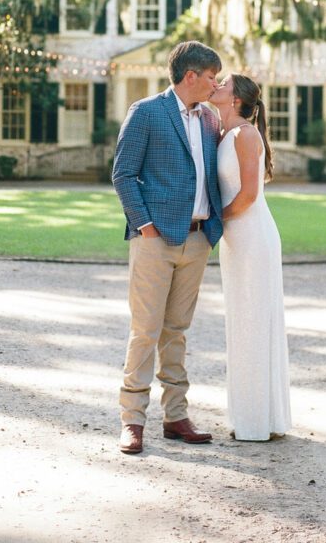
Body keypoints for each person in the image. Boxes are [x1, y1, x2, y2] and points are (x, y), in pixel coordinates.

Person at [112, 40, 224, 456]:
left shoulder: (210, 120)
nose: (216, 85)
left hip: (197, 241)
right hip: (155, 241)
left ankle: (176, 416)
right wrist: (145, 228)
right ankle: (132, 420)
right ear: (190, 76)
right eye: (212, 77)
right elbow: (123, 174)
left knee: (177, 331)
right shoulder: (146, 112)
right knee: (145, 331)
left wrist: (212, 231)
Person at [212, 73, 291, 442]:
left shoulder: (246, 135)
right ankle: (252, 415)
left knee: (254, 322)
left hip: (253, 235)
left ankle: (258, 422)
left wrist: (214, 218)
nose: (217, 86)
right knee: (241, 321)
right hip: (236, 240)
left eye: (223, 83)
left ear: (237, 99)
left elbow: (246, 196)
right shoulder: (222, 133)